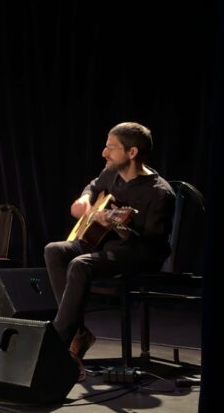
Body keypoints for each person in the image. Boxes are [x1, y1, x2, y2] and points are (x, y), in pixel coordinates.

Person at [44, 122, 175, 381]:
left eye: (110, 147)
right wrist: (85, 200)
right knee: (54, 250)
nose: (104, 153)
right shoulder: (111, 175)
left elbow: (151, 243)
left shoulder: (160, 193)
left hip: (140, 254)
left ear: (132, 152)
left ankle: (60, 341)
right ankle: (78, 331)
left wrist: (118, 225)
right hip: (106, 247)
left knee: (80, 264)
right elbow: (93, 185)